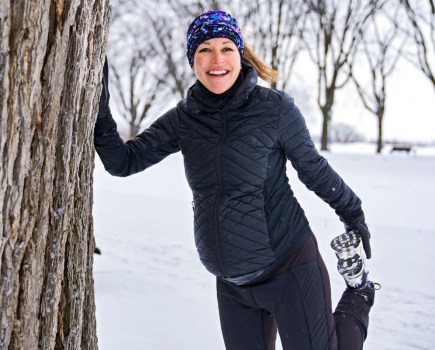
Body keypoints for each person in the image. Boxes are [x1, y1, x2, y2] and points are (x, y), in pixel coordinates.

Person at [94, 10, 379, 350]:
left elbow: (313, 169)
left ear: (239, 54)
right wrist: (98, 99)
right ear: (193, 60)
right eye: (205, 50)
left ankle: (359, 292)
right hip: (232, 285)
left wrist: (353, 212)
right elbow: (123, 162)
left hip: (289, 267)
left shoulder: (275, 110)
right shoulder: (184, 119)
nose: (217, 59)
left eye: (227, 48)